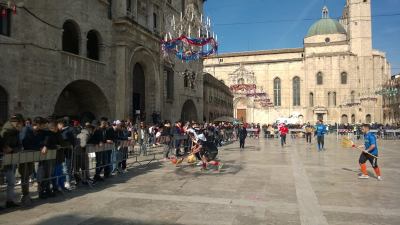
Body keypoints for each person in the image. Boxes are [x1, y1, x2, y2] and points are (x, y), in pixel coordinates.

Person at [0, 114, 24, 208]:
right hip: (3, 159)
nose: (22, 126)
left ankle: (9, 201)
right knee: (11, 181)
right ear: (17, 123)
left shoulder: (16, 132)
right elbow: (4, 147)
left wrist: (13, 150)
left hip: (11, 159)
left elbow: (20, 146)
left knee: (11, 181)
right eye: (21, 124)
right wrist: (4, 148)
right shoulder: (5, 132)